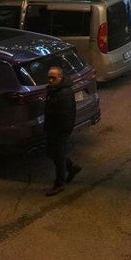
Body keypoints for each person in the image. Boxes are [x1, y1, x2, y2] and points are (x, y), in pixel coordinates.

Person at [44, 66, 82, 196]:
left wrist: (58, 132)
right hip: (53, 129)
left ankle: (59, 184)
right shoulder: (55, 89)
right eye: (49, 77)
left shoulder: (64, 93)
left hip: (60, 130)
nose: (50, 80)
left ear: (60, 77)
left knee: (58, 155)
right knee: (51, 152)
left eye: (53, 78)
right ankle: (71, 168)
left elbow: (64, 116)